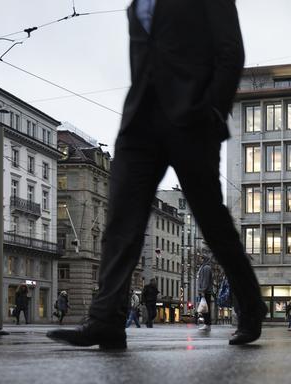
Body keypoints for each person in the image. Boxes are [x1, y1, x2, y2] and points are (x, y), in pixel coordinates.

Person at [46, 0, 265, 349]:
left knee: (212, 222)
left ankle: (251, 307)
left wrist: (211, 109)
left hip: (191, 118)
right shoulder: (137, 5)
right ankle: (106, 320)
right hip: (139, 124)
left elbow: (230, 51)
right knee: (121, 220)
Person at [196, 257, 213, 331]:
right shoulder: (203, 267)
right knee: (204, 308)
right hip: (204, 291)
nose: (200, 259)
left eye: (201, 258)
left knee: (205, 308)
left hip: (205, 291)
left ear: (204, 259)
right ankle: (207, 324)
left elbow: (205, 280)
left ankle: (207, 324)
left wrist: (203, 290)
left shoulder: (206, 267)